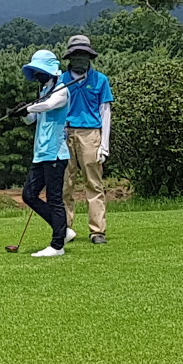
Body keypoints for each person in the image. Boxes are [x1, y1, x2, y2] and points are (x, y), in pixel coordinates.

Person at [17, 48, 75, 258]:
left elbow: (50, 105)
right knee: (29, 195)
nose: (37, 75)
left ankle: (58, 245)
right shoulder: (44, 91)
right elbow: (31, 119)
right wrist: (22, 112)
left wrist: (29, 108)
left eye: (40, 72)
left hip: (55, 154)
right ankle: (63, 230)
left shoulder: (61, 90)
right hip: (41, 153)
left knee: (54, 198)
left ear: (50, 72)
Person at [58, 35, 114, 244]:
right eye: (76, 55)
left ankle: (97, 230)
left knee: (94, 183)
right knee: (65, 184)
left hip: (91, 134)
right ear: (70, 58)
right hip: (65, 133)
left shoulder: (100, 80)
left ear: (89, 57)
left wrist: (104, 145)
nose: (80, 60)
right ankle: (65, 229)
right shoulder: (61, 80)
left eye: (83, 55)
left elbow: (105, 111)